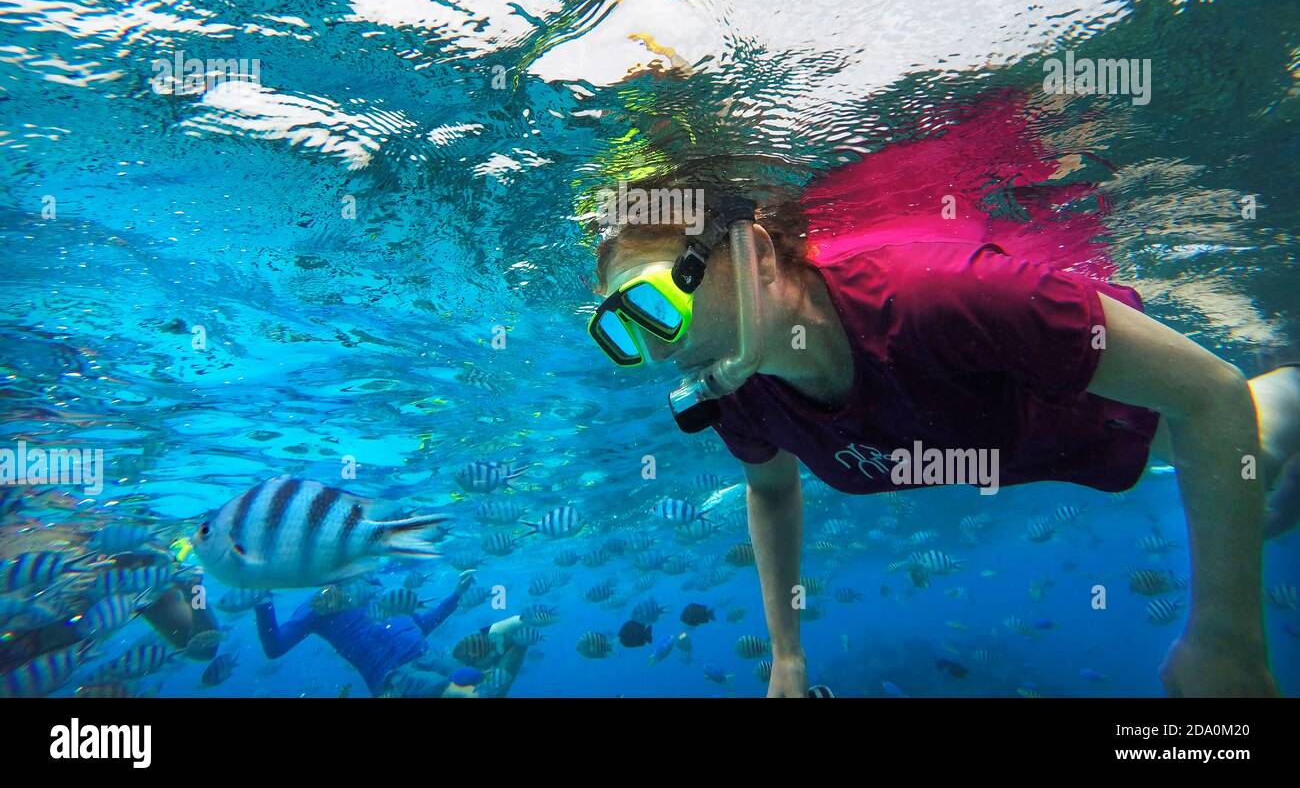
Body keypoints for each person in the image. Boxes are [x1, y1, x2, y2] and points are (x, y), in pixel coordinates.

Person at [586, 154, 1299, 699]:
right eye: (621, 329)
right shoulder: (740, 386)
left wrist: (1227, 639)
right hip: (1061, 449)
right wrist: (787, 652)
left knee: (1256, 442)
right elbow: (772, 492)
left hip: (1113, 414)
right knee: (1257, 481)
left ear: (756, 254)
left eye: (651, 302)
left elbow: (1210, 394)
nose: (658, 349)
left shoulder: (939, 295)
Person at [254, 569, 519, 697]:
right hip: (395, 678)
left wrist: (456, 595)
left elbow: (422, 626)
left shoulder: (375, 586)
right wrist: (260, 595)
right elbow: (274, 646)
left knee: (518, 634)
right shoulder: (319, 604)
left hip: (429, 657)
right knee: (466, 696)